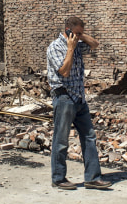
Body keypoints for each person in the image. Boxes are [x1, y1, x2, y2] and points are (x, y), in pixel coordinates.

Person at [46, 16, 112, 190]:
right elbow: (64, 72)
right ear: (67, 30)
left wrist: (80, 37)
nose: (78, 37)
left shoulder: (77, 44)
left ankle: (92, 177)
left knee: (89, 136)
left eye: (80, 33)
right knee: (61, 140)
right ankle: (58, 178)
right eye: (76, 33)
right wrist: (70, 47)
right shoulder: (55, 47)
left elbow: (95, 44)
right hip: (64, 98)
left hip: (80, 99)